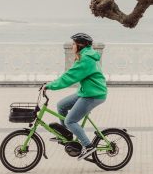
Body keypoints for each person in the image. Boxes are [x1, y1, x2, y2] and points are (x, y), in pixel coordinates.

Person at [45, 32, 108, 161]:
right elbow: (70, 74)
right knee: (61, 105)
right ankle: (68, 135)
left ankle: (88, 146)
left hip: (94, 94)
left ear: (80, 45)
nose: (72, 46)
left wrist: (50, 86)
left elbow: (69, 77)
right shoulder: (84, 55)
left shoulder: (86, 59)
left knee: (70, 120)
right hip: (86, 92)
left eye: (73, 44)